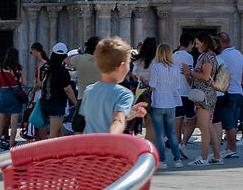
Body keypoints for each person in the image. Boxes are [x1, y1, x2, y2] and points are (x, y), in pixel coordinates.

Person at [80, 37, 148, 136]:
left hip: (88, 145)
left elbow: (91, 118)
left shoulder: (89, 90)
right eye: (128, 63)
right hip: (107, 147)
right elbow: (118, 121)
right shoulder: (124, 94)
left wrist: (129, 112)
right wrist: (110, 138)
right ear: (121, 66)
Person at [137, 35, 188, 165]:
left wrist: (145, 81)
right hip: (172, 102)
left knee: (159, 133)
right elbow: (177, 86)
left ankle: (163, 161)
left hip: (158, 101)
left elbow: (153, 85)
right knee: (171, 132)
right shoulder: (176, 69)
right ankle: (177, 160)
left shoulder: (156, 67)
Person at [39, 40, 74, 138]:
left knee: (58, 132)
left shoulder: (45, 67)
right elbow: (67, 89)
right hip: (57, 104)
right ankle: (47, 153)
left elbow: (41, 82)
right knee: (53, 134)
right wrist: (76, 103)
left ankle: (59, 152)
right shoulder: (62, 70)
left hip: (44, 102)